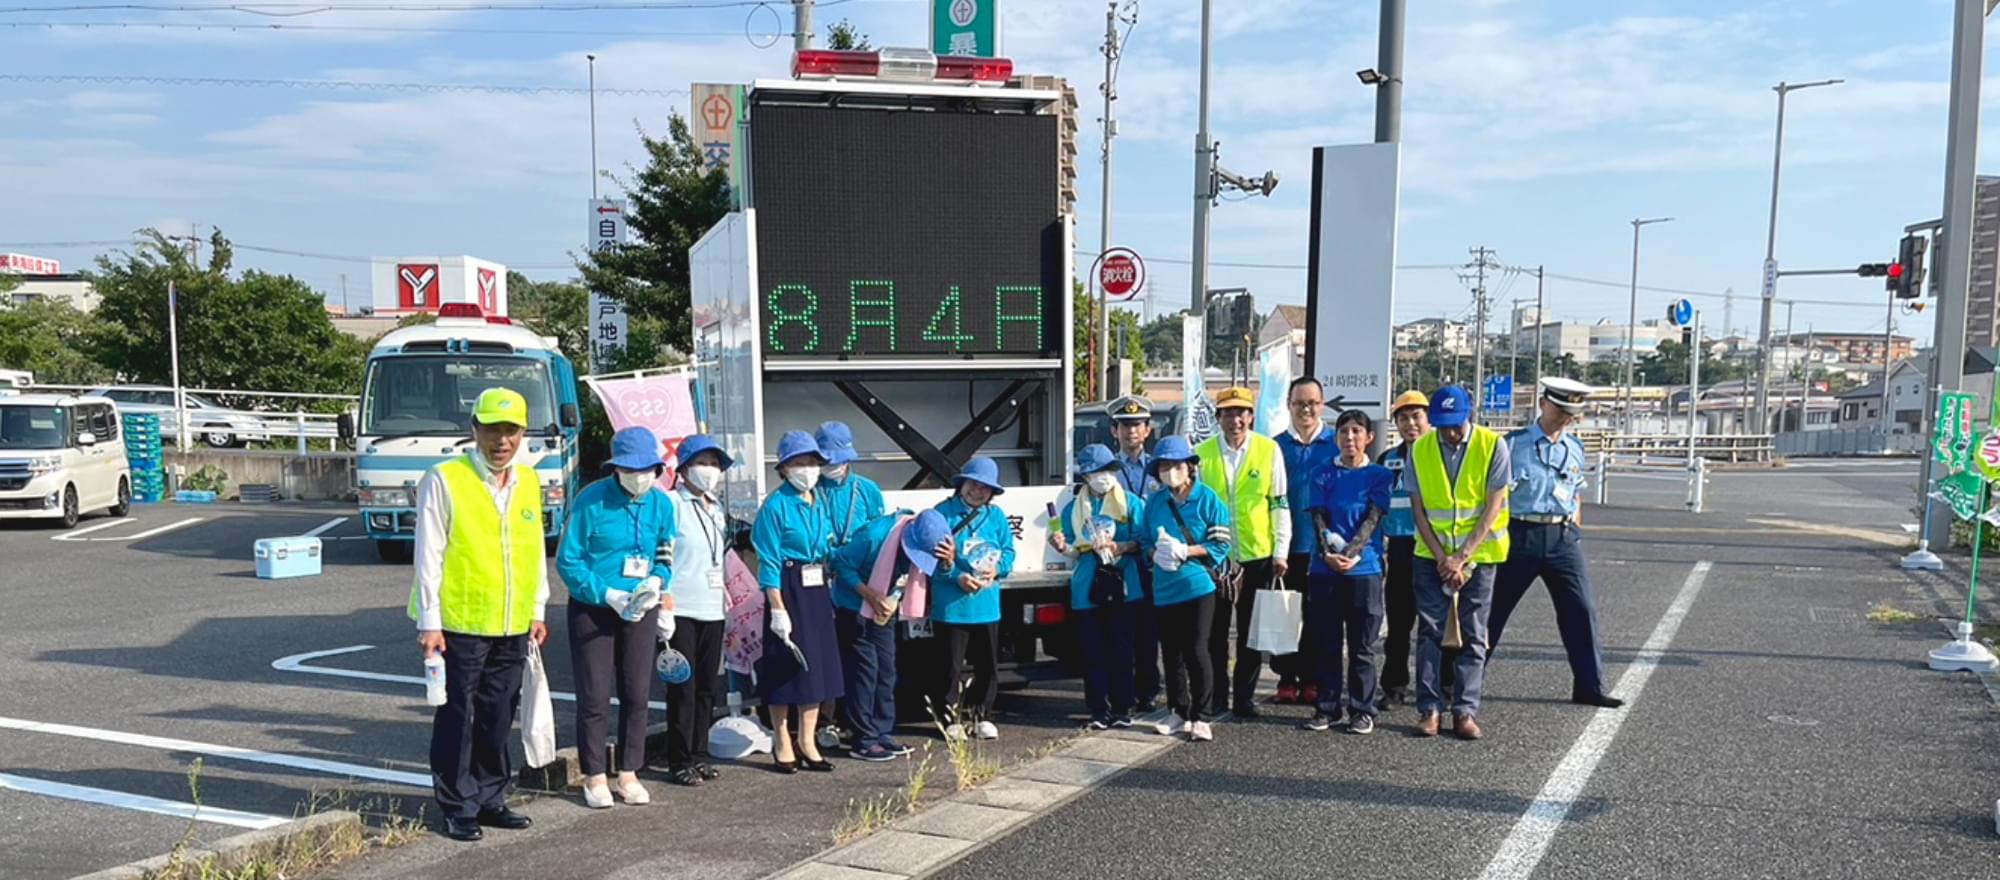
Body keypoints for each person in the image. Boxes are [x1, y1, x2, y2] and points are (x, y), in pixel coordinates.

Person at [408, 387, 549, 842]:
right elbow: (427, 552)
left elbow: (533, 550)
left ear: (523, 433)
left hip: (512, 623)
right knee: (458, 715)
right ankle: (456, 804)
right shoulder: (444, 478)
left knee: (497, 713)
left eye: (510, 430)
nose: (501, 440)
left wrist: (538, 608)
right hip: (459, 623)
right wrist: (429, 620)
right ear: (474, 430)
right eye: (492, 429)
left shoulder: (528, 480)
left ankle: (491, 796)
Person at [555, 426, 676, 808]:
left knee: (637, 692)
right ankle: (594, 775)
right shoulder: (590, 501)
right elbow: (568, 561)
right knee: (594, 695)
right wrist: (607, 594)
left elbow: (666, 553)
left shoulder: (661, 504)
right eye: (631, 468)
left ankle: (629, 771)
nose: (640, 476)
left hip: (641, 605)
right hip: (595, 607)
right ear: (615, 468)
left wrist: (658, 582)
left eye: (648, 469)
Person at [1489, 378, 1625, 709]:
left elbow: (1574, 491)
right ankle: (1458, 685)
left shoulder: (1575, 447)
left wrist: (1574, 530)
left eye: (1572, 413)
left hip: (1562, 537)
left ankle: (1589, 686)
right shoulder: (1511, 445)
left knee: (1580, 611)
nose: (1566, 418)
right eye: (1561, 410)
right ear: (1542, 404)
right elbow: (1493, 495)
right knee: (1491, 613)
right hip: (1519, 534)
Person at [1406, 385, 1512, 741]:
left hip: (1479, 557)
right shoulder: (1420, 449)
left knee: (1473, 634)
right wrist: (1442, 558)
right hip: (1431, 557)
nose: (1449, 432)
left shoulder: (1492, 445)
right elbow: (1418, 510)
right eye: (1442, 425)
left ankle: (1465, 710)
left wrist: (1462, 557)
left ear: (1469, 414)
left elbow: (1493, 507)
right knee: (1430, 632)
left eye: (1455, 424)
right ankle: (1429, 708)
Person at [750, 430, 846, 773]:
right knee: (784, 666)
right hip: (788, 586)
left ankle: (808, 739)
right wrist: (777, 607)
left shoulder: (817, 499)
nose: (807, 469)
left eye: (812, 462)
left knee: (816, 667)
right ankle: (782, 737)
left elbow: (828, 546)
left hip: (817, 585)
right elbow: (769, 561)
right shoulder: (775, 506)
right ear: (784, 468)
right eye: (799, 463)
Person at [1194, 386, 1290, 719]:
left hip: (1257, 554)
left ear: (1251, 416)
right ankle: (1217, 694)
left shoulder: (1269, 449)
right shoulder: (1201, 453)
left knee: (1252, 631)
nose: (1236, 419)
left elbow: (1279, 502)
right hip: (1216, 557)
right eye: (1229, 413)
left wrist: (1281, 550)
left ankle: (1244, 698)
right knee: (1215, 632)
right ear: (1218, 417)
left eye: (1242, 412)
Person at [830, 508, 954, 762]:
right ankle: (863, 739)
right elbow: (840, 565)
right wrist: (870, 595)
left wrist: (948, 562)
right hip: (854, 606)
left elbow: (932, 575)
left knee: (886, 669)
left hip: (885, 609)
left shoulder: (932, 539)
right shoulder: (874, 536)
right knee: (865, 671)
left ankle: (882, 732)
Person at [1300, 410, 1396, 735]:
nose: (1350, 438)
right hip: (1324, 570)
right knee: (1326, 642)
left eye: (1357, 432)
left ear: (1369, 437)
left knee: (1362, 645)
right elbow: (1317, 517)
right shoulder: (1322, 473)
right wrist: (1329, 553)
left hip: (1364, 570)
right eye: (1344, 432)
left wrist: (1351, 554)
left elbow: (1373, 517)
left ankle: (1362, 709)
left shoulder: (1380, 475)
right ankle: (1327, 707)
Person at [1139, 436, 1231, 742]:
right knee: (1171, 653)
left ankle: (1202, 716)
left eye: (1176, 465)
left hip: (1197, 586)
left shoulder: (1207, 499)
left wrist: (1186, 551)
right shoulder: (1154, 502)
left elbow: (1220, 544)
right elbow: (1143, 541)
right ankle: (1178, 711)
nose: (1170, 471)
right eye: (1164, 466)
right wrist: (1155, 554)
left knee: (1196, 649)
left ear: (1190, 467)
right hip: (1164, 587)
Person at [1050, 444, 1145, 730]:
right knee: (1093, 652)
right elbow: (1072, 548)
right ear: (1086, 476)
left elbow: (1143, 540)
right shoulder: (1072, 509)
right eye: (1097, 472)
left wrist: (1121, 546)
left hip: (1124, 584)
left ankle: (1122, 708)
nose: (1104, 476)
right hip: (1087, 587)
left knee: (1121, 650)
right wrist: (1061, 545)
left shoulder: (1130, 502)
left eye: (1108, 470)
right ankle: (1097, 710)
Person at [659, 434, 735, 787]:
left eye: (715, 464)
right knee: (683, 687)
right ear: (684, 468)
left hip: (712, 606)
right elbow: (660, 553)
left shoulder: (716, 508)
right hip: (681, 607)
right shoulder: (671, 503)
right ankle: (679, 758)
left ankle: (699, 753)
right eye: (702, 463)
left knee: (707, 687)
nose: (710, 470)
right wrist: (664, 597)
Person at [930, 456, 1015, 741]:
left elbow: (1008, 552)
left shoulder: (998, 516)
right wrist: (956, 576)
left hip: (987, 603)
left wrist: (997, 569)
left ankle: (983, 715)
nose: (977, 491)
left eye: (985, 488)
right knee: (949, 665)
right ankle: (950, 718)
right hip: (951, 603)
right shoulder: (942, 514)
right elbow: (931, 558)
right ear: (961, 484)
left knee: (987, 664)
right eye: (973, 484)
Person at [813, 421, 885, 746]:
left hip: (857, 586)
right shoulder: (811, 490)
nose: (831, 465)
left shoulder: (867, 490)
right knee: (825, 654)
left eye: (836, 459)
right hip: (819, 580)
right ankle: (824, 722)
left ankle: (859, 722)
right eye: (824, 459)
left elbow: (878, 537)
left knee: (859, 659)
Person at [1376, 389, 1446, 706]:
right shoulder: (1387, 459)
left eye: (1416, 416)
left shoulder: (1443, 454)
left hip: (1436, 549)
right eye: (1403, 418)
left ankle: (1441, 685)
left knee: (1436, 625)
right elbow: (1376, 508)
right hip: (1402, 548)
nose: (1410, 423)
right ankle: (1394, 685)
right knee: (1400, 623)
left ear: (1428, 418)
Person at [1273, 377, 1337, 706]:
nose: (1306, 409)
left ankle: (1312, 678)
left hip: (1323, 549)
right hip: (1286, 548)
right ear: (1289, 405)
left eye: (1312, 403)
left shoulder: (1337, 443)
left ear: (1321, 405)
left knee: (1319, 618)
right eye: (1299, 403)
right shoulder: (1275, 446)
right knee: (1285, 617)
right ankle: (1286, 677)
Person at [1107, 395, 1164, 715]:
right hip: (1121, 562)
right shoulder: (1108, 470)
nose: (1132, 431)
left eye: (1138, 425)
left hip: (1155, 561)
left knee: (1150, 633)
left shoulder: (1161, 467)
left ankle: (1149, 691)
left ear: (1147, 430)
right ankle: (1123, 694)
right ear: (1114, 431)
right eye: (1125, 425)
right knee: (1121, 633)